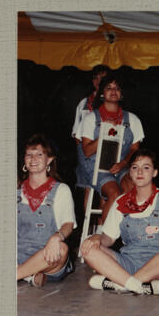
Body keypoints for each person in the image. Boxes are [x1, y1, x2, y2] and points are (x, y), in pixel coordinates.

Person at [81, 149, 159, 295]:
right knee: (88, 248)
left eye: (146, 167)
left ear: (155, 172)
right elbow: (108, 238)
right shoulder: (120, 202)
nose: (140, 172)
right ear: (129, 172)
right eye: (135, 167)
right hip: (128, 263)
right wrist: (97, 237)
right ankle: (136, 285)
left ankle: (122, 284)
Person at [78, 73, 145, 224]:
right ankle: (103, 238)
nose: (114, 91)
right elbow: (87, 151)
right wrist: (105, 131)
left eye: (117, 88)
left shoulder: (132, 119)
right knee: (114, 193)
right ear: (102, 93)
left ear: (122, 94)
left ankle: (131, 233)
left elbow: (135, 149)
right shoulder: (90, 118)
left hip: (121, 166)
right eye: (109, 88)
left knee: (135, 188)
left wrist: (123, 163)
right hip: (97, 168)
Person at [17, 134, 76, 287]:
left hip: (47, 257)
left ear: (49, 159)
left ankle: (16, 274)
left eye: (39, 154)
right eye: (29, 155)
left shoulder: (61, 190)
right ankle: (28, 275)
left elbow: (68, 224)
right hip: (17, 254)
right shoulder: (16, 190)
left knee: (62, 249)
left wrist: (56, 237)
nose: (33, 159)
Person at [71, 64, 109, 230]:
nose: (99, 81)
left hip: (107, 150)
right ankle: (88, 228)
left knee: (105, 190)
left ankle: (101, 227)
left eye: (103, 78)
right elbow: (76, 133)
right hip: (87, 152)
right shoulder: (84, 103)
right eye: (97, 78)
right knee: (88, 189)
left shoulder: (111, 102)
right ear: (93, 81)